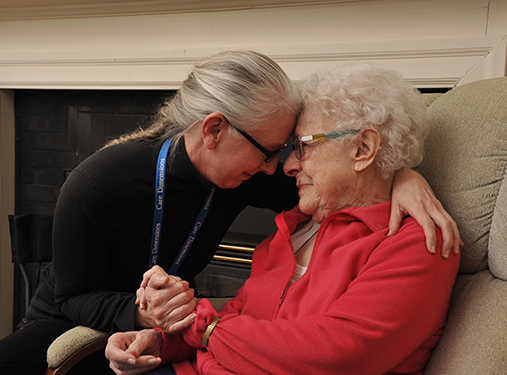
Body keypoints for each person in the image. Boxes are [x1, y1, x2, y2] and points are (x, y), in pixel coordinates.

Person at [0, 51, 459, 375]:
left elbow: (337, 353)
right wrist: (158, 330)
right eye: (276, 149)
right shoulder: (98, 183)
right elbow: (71, 297)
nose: (281, 166)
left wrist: (401, 174)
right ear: (215, 130)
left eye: (296, 147)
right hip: (73, 313)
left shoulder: (407, 238)